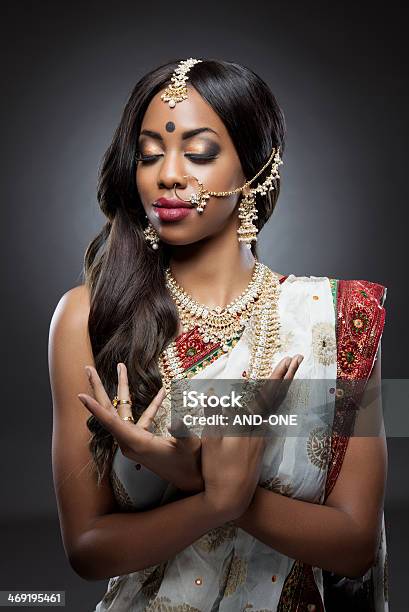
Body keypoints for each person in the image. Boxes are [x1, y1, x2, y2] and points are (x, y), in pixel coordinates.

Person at [48, 58, 388, 611]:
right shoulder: (88, 317)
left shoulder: (338, 317)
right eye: (149, 154)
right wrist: (213, 501)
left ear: (256, 169)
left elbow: (353, 547)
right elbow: (87, 549)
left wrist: (201, 480)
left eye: (199, 152)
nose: (168, 174)